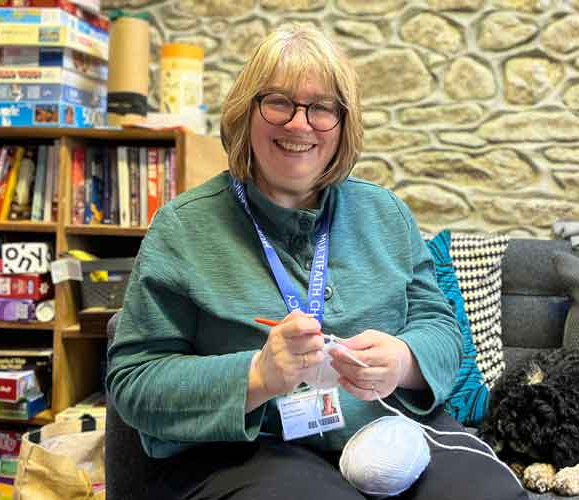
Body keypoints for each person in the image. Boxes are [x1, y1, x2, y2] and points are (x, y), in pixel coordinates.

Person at [106, 24, 528, 500]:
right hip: (248, 451)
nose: (300, 124)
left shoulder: (386, 214)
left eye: (322, 107)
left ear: (343, 124)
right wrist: (256, 376)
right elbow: (134, 382)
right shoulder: (183, 228)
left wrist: (404, 361)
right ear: (247, 112)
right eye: (279, 102)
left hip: (390, 434)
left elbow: (440, 329)